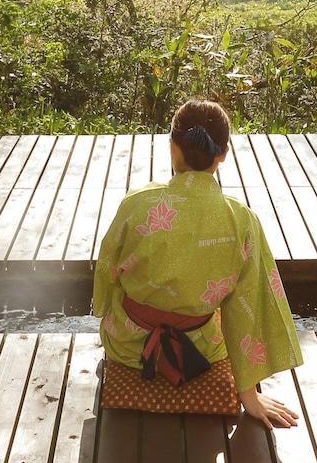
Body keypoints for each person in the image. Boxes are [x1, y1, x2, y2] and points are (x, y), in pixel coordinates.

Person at [92, 99, 303, 427]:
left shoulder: (138, 204)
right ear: (223, 154)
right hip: (200, 350)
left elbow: (107, 272)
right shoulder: (242, 221)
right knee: (223, 305)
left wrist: (106, 308)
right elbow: (249, 305)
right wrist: (247, 393)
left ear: (172, 146)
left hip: (129, 343)